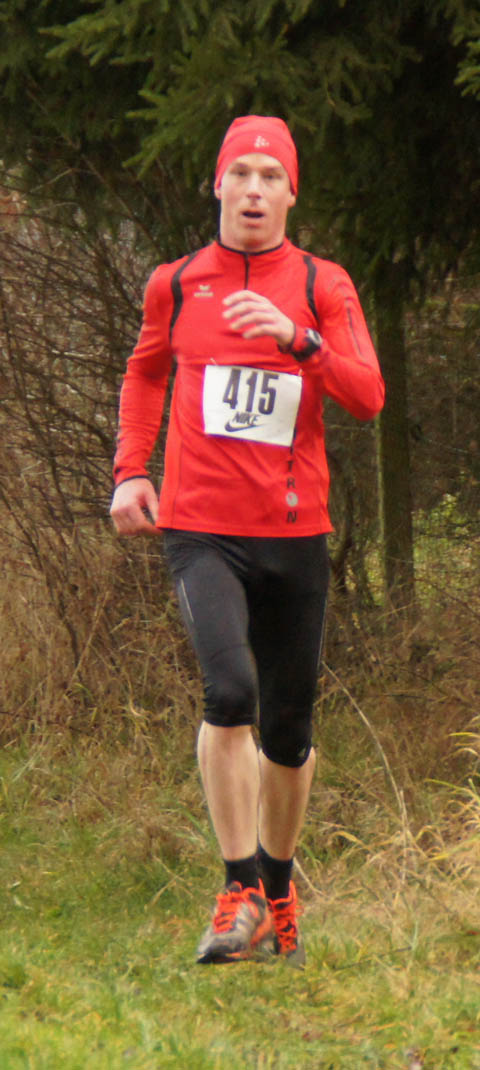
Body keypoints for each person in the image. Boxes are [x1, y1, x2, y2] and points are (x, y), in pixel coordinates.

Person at [110, 115, 385, 967]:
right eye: (242, 174)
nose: (255, 190)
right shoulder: (176, 282)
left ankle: (277, 883)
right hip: (199, 527)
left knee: (289, 731)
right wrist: (131, 469)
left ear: (291, 194)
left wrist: (299, 340)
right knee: (229, 693)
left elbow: (368, 395)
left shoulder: (322, 284)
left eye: (272, 177)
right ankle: (238, 890)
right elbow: (146, 370)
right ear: (218, 186)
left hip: (294, 532)